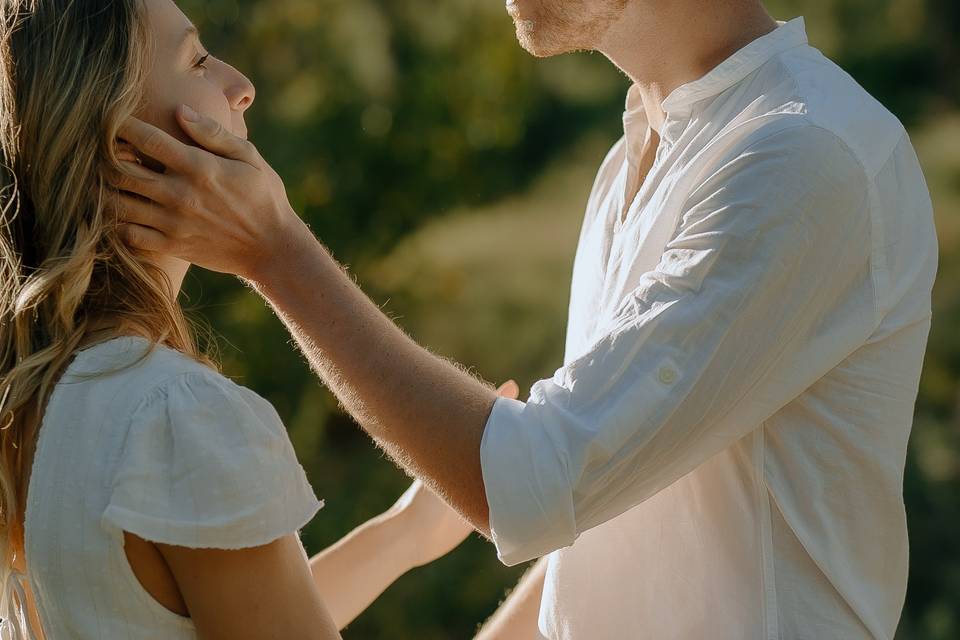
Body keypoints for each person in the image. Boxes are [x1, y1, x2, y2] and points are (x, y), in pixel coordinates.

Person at [114, 0, 939, 638]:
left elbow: (531, 479)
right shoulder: (633, 161)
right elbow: (604, 527)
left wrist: (275, 251)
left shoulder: (806, 155)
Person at [0, 1, 517, 638]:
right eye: (196, 60)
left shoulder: (40, 403)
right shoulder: (175, 416)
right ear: (124, 149)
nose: (241, 86)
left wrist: (402, 538)